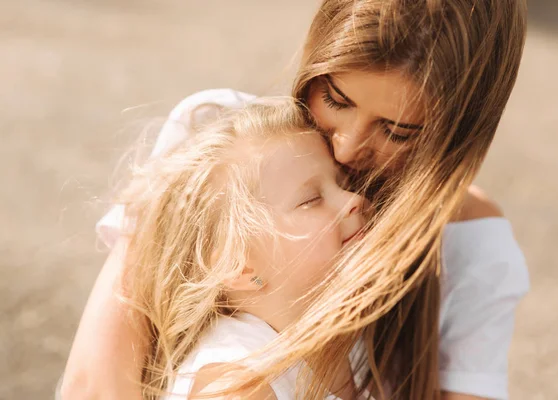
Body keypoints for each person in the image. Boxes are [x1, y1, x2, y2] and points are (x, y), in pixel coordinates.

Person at [62, 1, 530, 399]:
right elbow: (95, 383)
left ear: (458, 136)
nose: (347, 148)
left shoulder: (471, 244)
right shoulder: (228, 143)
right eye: (337, 99)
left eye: (396, 131)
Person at [115, 98, 378, 399]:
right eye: (310, 200)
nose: (352, 199)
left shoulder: (352, 337)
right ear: (240, 266)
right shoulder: (236, 386)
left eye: (343, 183)